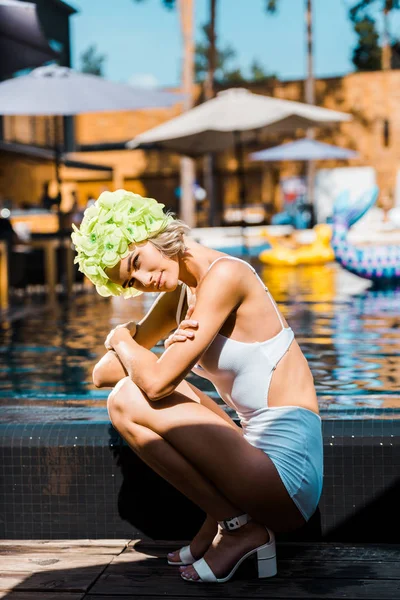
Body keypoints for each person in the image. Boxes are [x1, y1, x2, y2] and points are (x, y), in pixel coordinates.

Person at [72, 190, 323, 584]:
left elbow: (153, 385)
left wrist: (123, 339)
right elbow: (102, 375)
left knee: (131, 397)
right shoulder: (180, 294)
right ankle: (228, 522)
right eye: (130, 280)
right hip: (251, 454)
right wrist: (133, 346)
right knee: (124, 396)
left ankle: (238, 528)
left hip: (288, 474)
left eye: (136, 262)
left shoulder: (225, 276)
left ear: (154, 233)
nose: (143, 280)